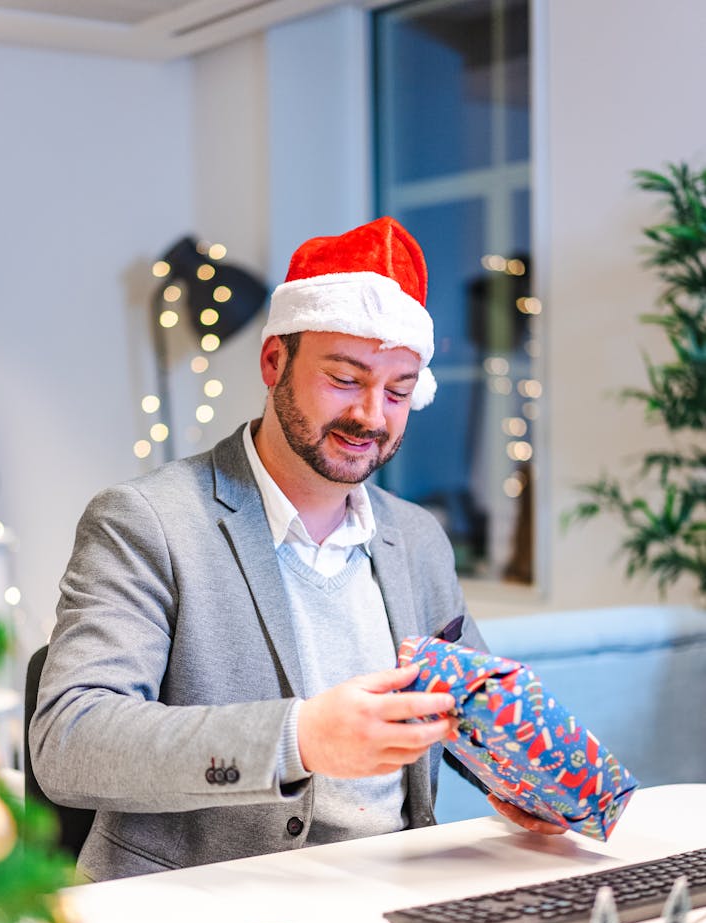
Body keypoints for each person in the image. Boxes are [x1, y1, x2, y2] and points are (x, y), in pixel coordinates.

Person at [30, 216, 563, 882]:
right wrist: (300, 735)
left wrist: (526, 777)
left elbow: (474, 704)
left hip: (388, 889)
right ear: (274, 362)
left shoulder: (417, 537)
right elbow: (70, 741)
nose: (372, 415)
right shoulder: (146, 521)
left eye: (399, 391)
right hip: (199, 904)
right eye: (345, 379)